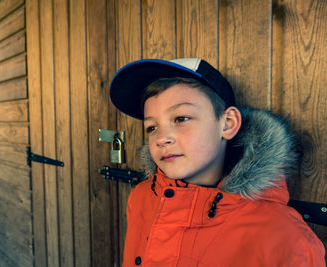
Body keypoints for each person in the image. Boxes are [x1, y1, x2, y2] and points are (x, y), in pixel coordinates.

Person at [109, 58, 325, 266]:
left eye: (181, 118)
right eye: (152, 127)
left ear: (228, 124)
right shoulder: (142, 197)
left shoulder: (285, 237)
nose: (161, 138)